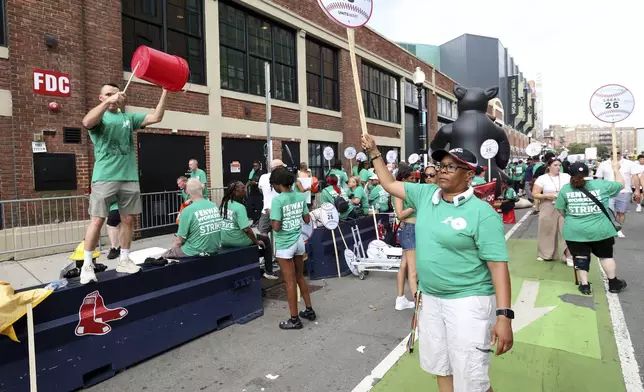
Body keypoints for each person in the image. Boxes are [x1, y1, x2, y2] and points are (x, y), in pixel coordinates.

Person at [362, 134, 513, 392]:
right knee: (441, 366)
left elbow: (498, 267)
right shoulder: (425, 194)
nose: (443, 171)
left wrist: (504, 316)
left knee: (472, 378)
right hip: (431, 299)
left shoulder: (482, 214)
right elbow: (388, 184)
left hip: (469, 302)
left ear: (469, 174)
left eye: (452, 166)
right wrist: (375, 152)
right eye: (441, 166)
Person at [80, 83, 168, 284]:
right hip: (104, 177)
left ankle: (125, 259)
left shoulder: (128, 118)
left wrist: (165, 91)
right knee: (97, 220)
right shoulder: (99, 117)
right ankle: (87, 265)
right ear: (101, 97)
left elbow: (156, 117)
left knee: (128, 219)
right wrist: (108, 103)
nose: (112, 97)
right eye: (108, 94)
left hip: (129, 177)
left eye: (115, 93)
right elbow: (86, 122)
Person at [554, 161, 627, 295]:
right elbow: (621, 184)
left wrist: (574, 217)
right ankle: (613, 283)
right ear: (589, 173)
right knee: (606, 256)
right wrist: (616, 169)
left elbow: (560, 210)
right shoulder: (601, 185)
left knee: (580, 256)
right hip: (601, 230)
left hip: (575, 230)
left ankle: (585, 285)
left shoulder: (566, 189)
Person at [269, 169, 316, 330]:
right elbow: (307, 218)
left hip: (284, 244)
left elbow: (276, 227)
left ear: (277, 184)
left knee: (289, 283)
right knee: (300, 277)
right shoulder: (299, 196)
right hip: (298, 241)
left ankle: (294, 319)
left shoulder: (277, 200)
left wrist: (270, 216)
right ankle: (309, 310)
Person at [219, 181, 278, 280]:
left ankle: (258, 264)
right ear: (235, 192)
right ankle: (268, 271)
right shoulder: (239, 207)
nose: (245, 191)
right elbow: (246, 229)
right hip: (237, 240)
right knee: (265, 240)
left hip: (224, 240)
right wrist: (256, 241)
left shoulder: (224, 203)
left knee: (259, 243)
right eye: (243, 189)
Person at [161, 178, 222, 259]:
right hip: (213, 249)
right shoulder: (213, 205)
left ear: (187, 191)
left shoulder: (187, 211)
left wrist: (171, 250)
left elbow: (179, 241)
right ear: (201, 189)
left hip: (195, 251)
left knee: (165, 255)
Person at [532, 158, 572, 264]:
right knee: (546, 229)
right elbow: (535, 194)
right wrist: (548, 195)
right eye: (555, 165)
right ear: (549, 166)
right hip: (548, 204)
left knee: (566, 230)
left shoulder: (566, 177)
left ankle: (568, 255)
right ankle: (545, 254)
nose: (558, 167)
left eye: (559, 165)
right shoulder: (542, 178)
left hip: (564, 205)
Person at [393, 167, 418, 311]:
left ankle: (401, 297)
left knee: (405, 264)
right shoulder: (398, 191)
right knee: (412, 269)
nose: (414, 181)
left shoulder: (405, 190)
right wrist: (414, 206)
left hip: (410, 229)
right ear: (403, 179)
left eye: (414, 178)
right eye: (411, 179)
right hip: (410, 229)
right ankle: (416, 301)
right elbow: (400, 214)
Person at [594, 152, 633, 238]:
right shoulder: (604, 164)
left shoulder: (628, 163)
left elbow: (635, 175)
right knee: (609, 211)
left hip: (624, 191)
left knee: (621, 212)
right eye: (613, 153)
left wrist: (637, 189)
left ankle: (619, 229)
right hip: (608, 192)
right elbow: (598, 178)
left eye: (618, 152)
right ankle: (610, 229)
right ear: (610, 154)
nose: (615, 154)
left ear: (621, 153)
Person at [257, 159, 286, 236]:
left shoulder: (263, 177)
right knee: (282, 231)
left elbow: (260, 190)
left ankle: (267, 248)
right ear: (279, 167)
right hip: (281, 209)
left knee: (263, 233)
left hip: (267, 209)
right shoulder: (284, 177)